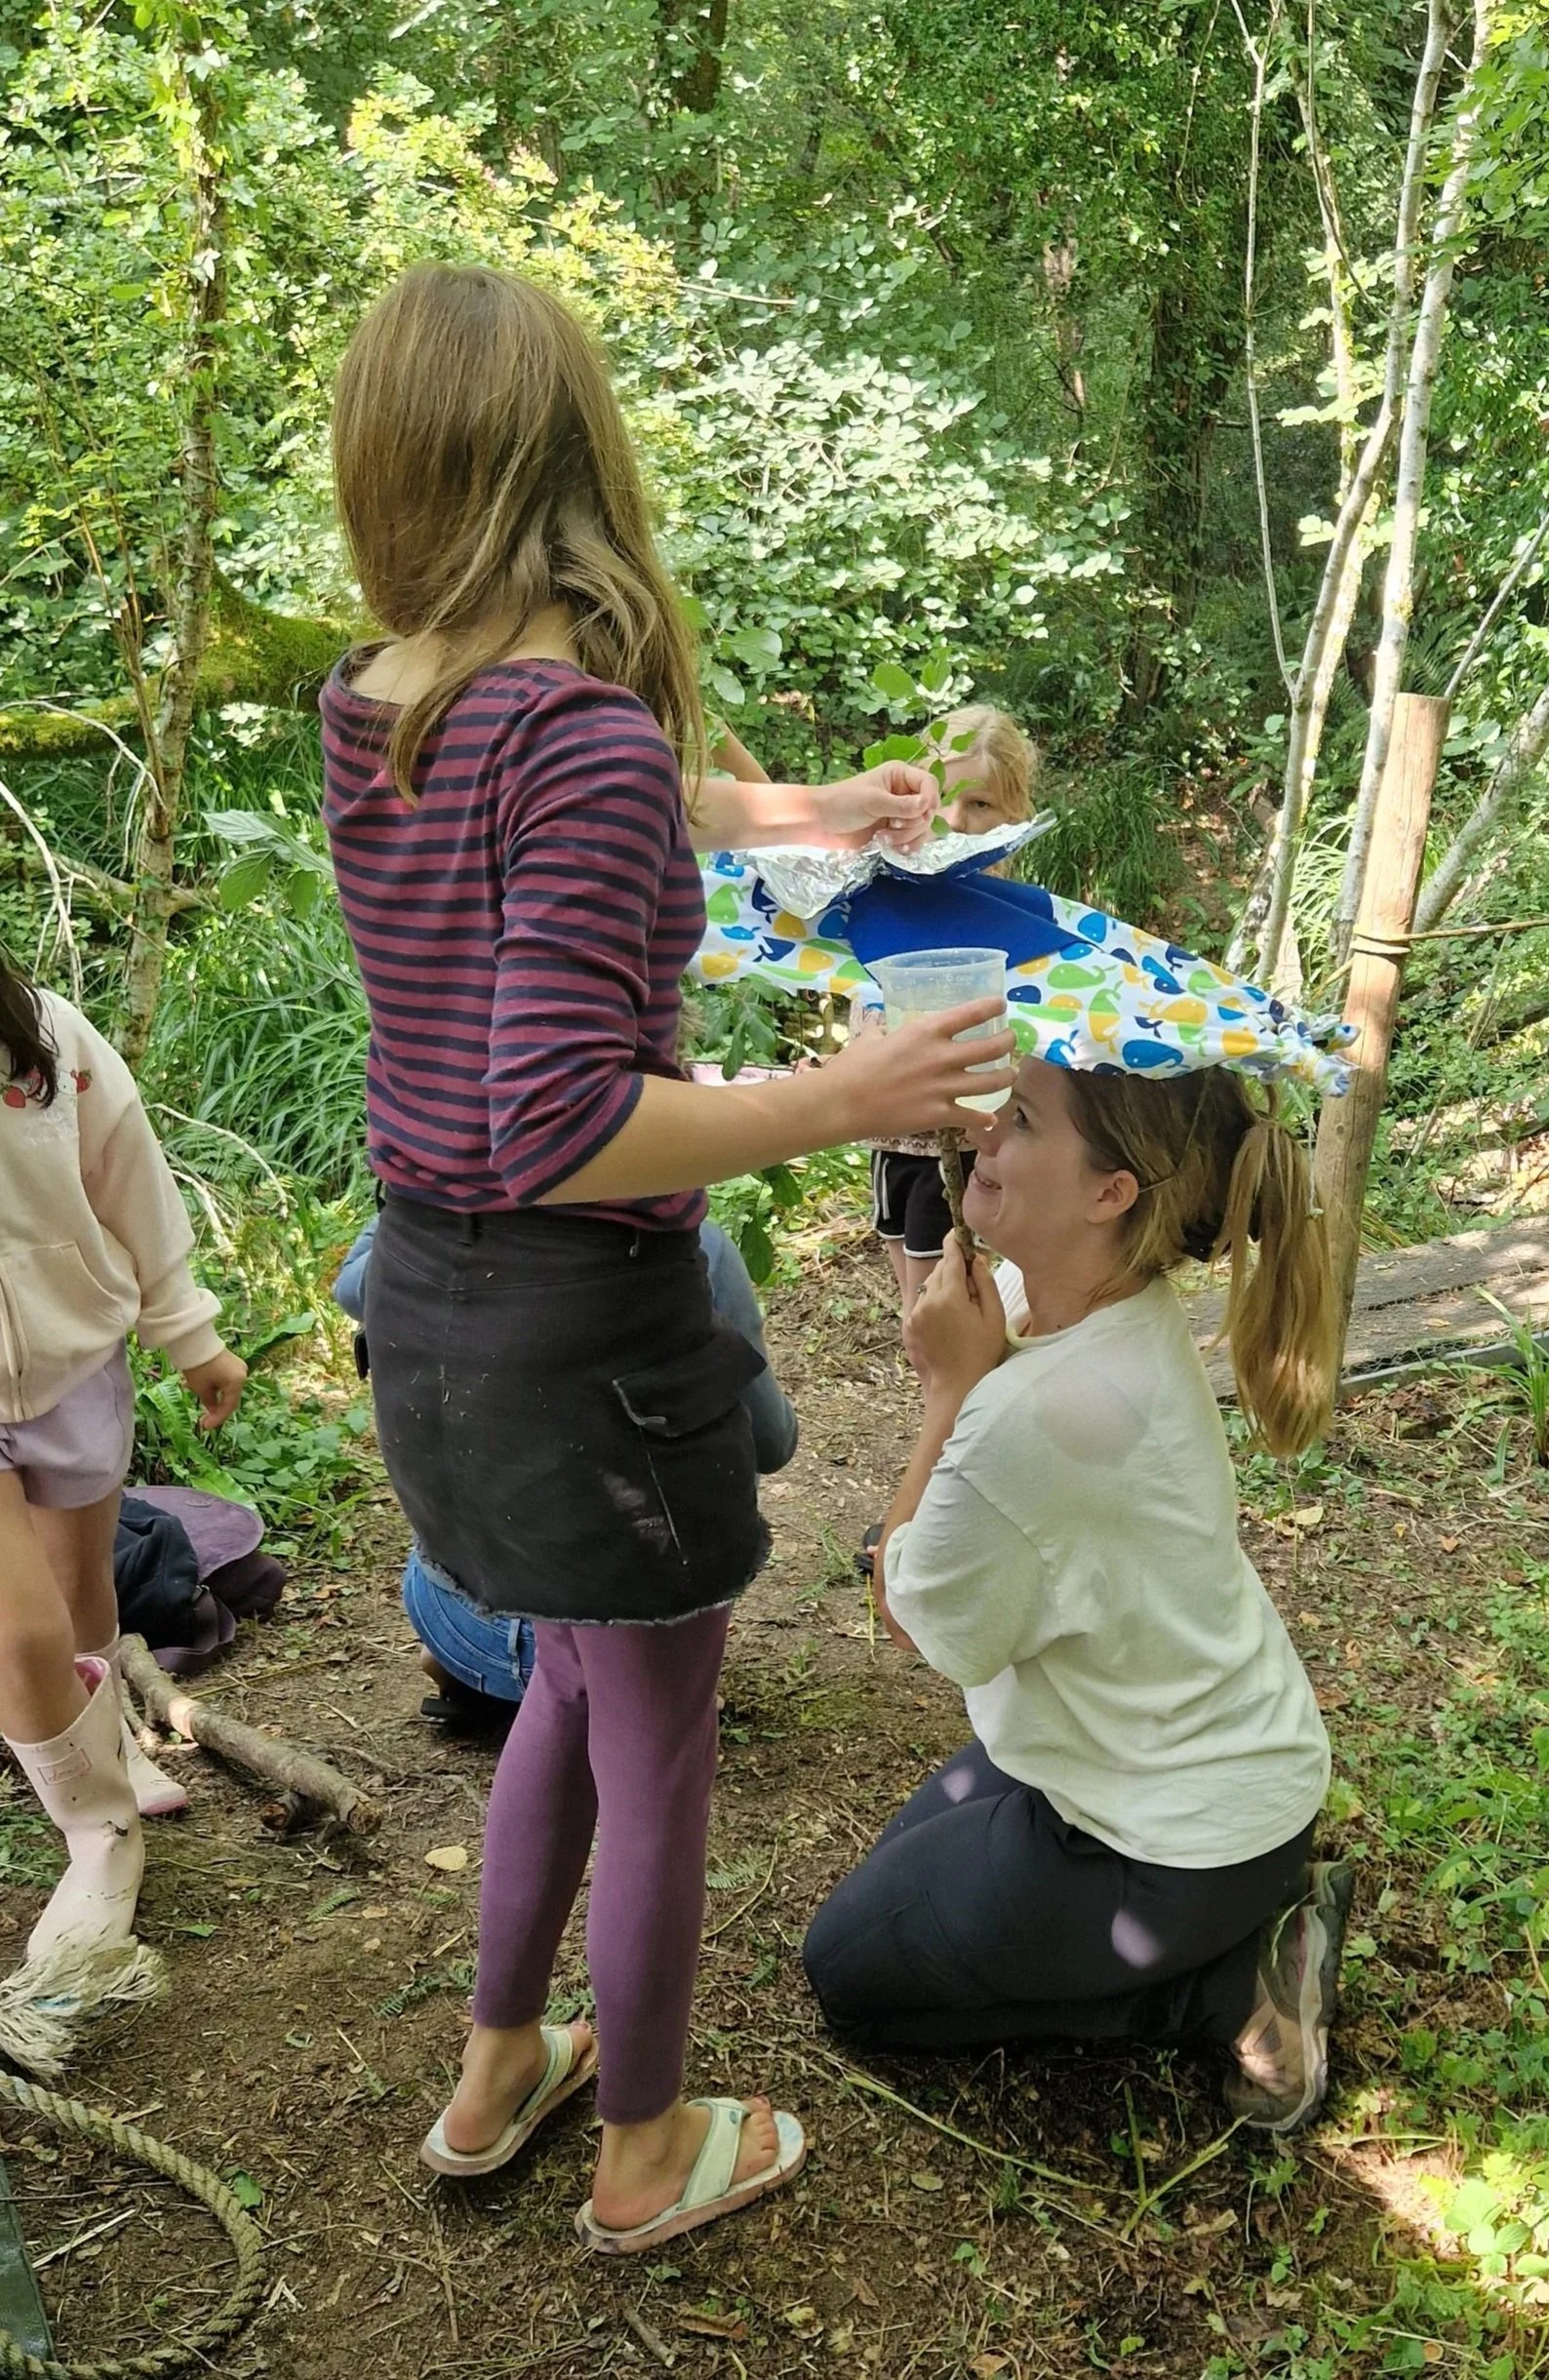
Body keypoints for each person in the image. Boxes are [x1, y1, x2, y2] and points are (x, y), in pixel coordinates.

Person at [321, 261, 1013, 2253]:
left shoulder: (381, 701)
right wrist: (844, 1093)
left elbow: (594, 797)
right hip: (584, 1330)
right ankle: (637, 2147)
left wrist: (803, 807)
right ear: (576, 460)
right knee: (657, 1726)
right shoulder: (581, 737)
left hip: (429, 1315)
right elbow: (564, 1115)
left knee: (561, 1680)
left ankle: (496, 2060)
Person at [802, 1057, 1355, 2136]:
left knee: (850, 1971)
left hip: (1177, 1842)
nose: (983, 1137)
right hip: (1166, 1760)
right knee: (901, 1876)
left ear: (1113, 1194)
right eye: (994, 1112)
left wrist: (951, 1391)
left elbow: (914, 1618)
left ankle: (1235, 1984)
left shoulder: (1046, 1409)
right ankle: (1226, 1930)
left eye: (1019, 1122)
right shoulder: (1052, 1298)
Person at [0, 952, 246, 1963]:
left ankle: (102, 1745)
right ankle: (98, 1829)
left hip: (72, 1363)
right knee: (23, 1632)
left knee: (81, 1594)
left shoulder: (50, 1041)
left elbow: (131, 1182)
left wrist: (188, 1331)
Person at [331, 1214, 800, 1723]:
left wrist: (426, 1204)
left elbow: (352, 1285)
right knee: (716, 1439)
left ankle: (480, 1672)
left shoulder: (423, 1238)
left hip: (451, 1611)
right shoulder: (695, 1243)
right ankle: (654, 1690)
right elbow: (772, 1444)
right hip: (617, 1636)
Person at [867, 706, 1038, 1319]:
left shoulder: (1018, 921)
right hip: (893, 1145)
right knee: (920, 1314)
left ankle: (959, 1412)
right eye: (941, 797)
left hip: (965, 1152)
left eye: (981, 804)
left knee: (945, 1315)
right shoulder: (880, 895)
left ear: (1013, 815)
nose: (955, 822)